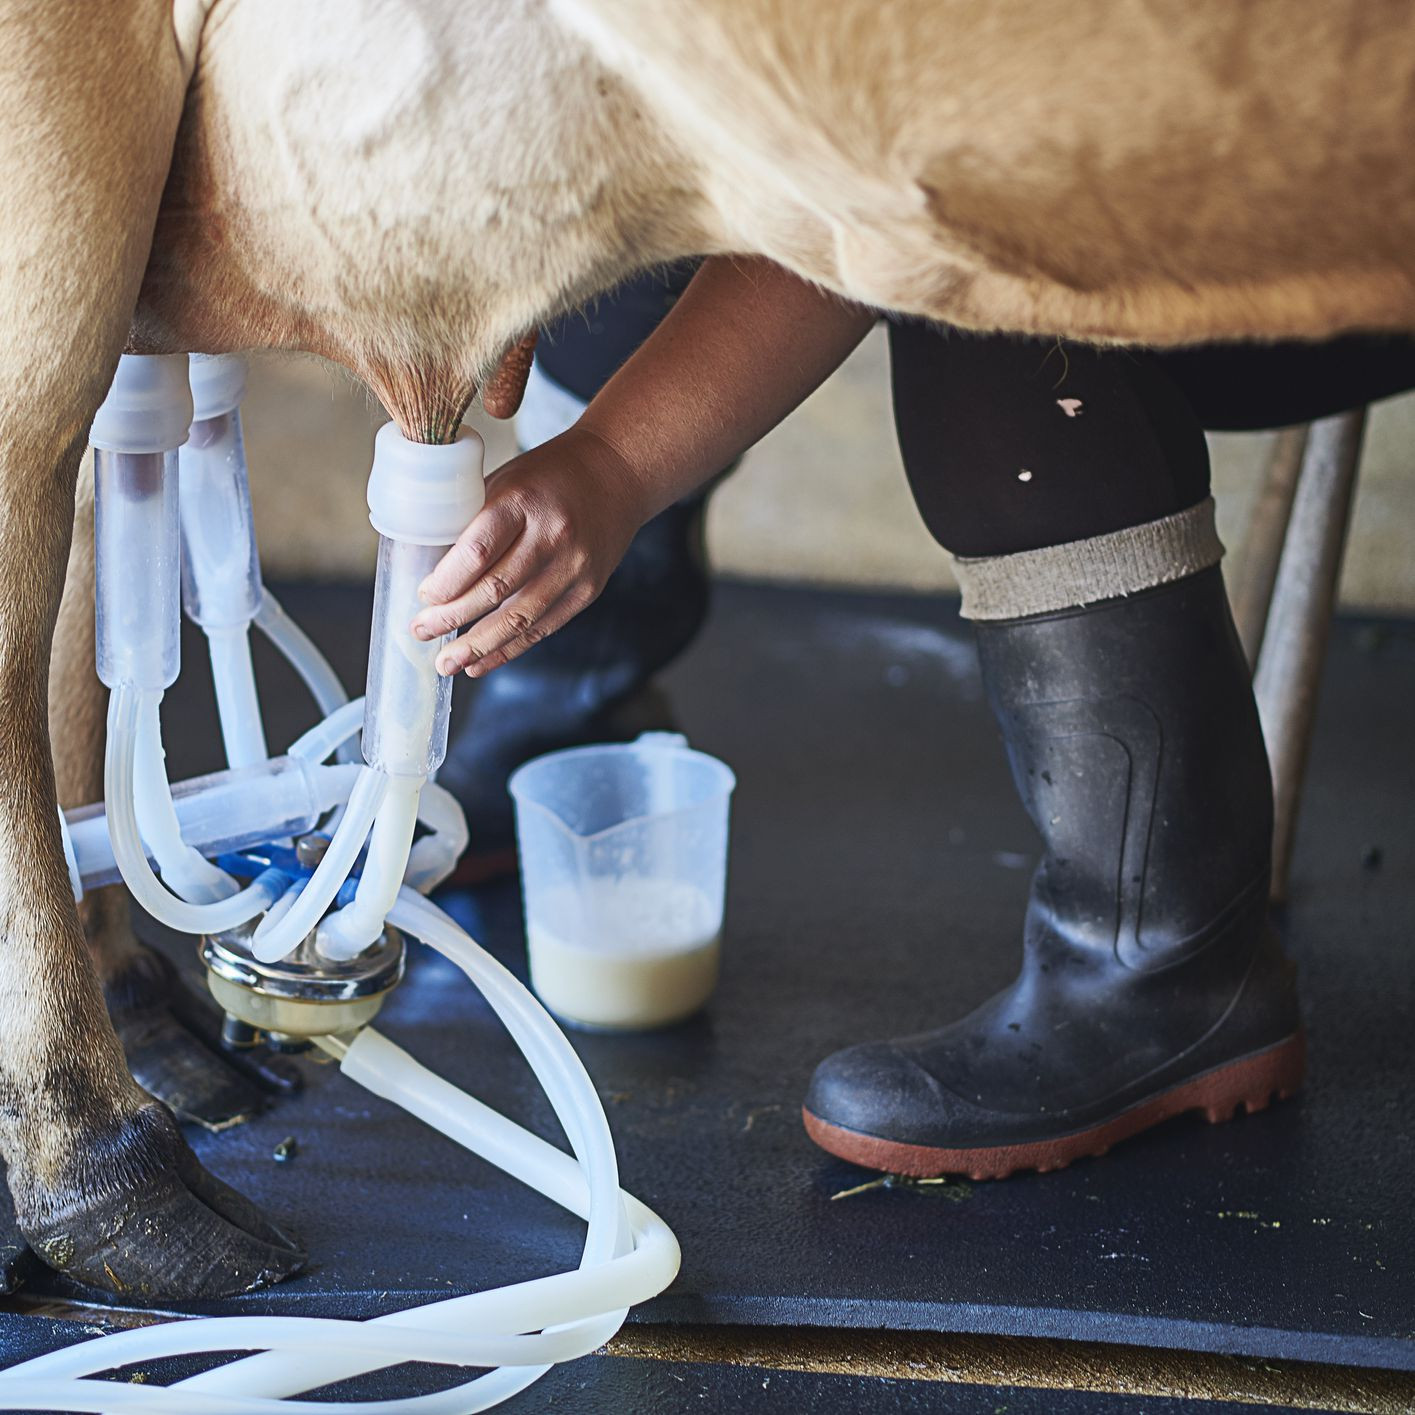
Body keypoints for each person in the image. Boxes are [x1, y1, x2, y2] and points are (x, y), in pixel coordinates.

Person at [417, 256, 1415, 1178]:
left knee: (963, 244)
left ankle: (1164, 961)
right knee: (655, 186)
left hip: (1340, 234)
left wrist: (608, 465)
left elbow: (859, 215)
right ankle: (574, 685)